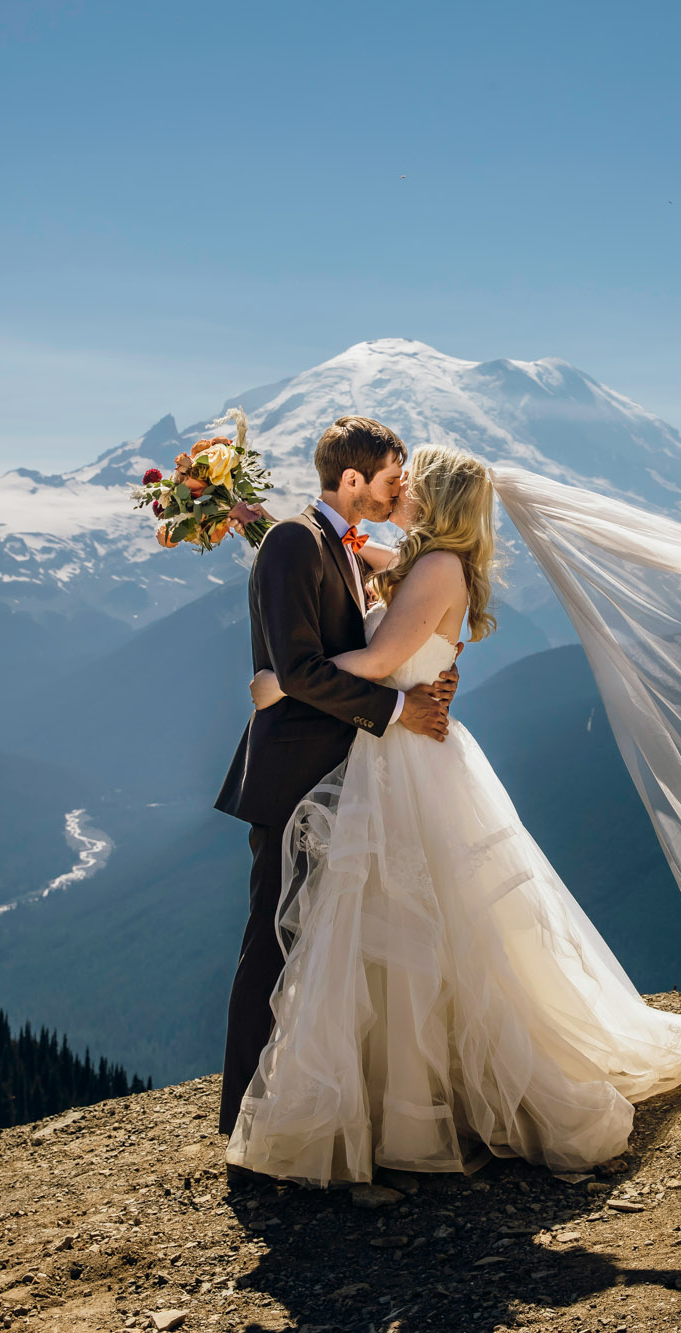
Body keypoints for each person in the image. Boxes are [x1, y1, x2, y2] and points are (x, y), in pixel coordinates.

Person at [224, 443, 681, 1185]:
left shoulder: (435, 568)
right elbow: (344, 556)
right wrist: (259, 522)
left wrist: (284, 684)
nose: (399, 490)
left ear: (433, 497)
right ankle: (397, 1098)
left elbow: (377, 664)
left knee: (417, 931)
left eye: (409, 483)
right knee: (400, 932)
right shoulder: (422, 558)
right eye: (392, 479)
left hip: (405, 764)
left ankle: (423, 1102)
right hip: (396, 756)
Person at [212, 417, 460, 1159]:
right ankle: (242, 1119)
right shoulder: (295, 540)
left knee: (318, 942)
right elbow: (298, 668)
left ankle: (298, 1103)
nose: (397, 490)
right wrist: (397, 710)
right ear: (350, 480)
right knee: (272, 943)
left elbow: (349, 645)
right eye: (390, 479)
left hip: (336, 774)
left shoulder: (337, 543)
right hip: (292, 775)